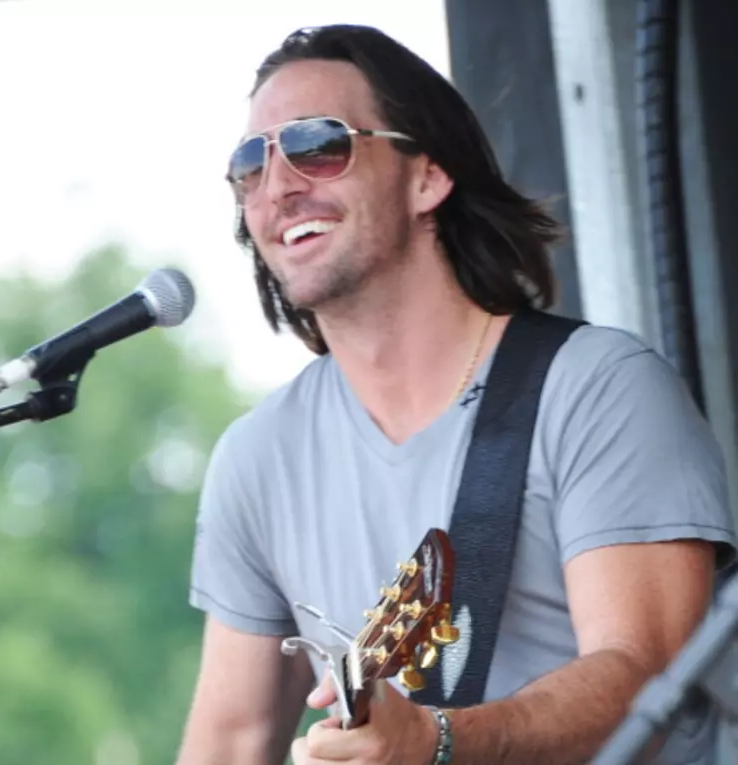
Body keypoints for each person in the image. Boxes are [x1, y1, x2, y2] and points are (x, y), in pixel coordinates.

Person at [175, 23, 736, 765]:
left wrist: (438, 740)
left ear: (426, 176)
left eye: (317, 145)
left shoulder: (597, 388)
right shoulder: (257, 458)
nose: (277, 185)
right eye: (250, 164)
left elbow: (641, 675)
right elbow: (230, 739)